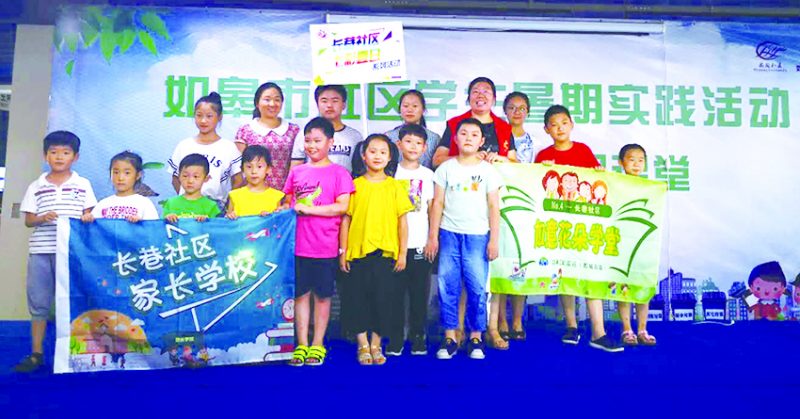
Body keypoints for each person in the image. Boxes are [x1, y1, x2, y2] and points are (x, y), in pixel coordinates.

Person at [534, 105, 622, 352]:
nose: (559, 128)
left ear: (571, 124)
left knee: (591, 274)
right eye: (554, 125)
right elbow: (536, 187)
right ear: (546, 129)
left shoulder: (583, 150)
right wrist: (541, 171)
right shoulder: (543, 156)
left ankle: (598, 332)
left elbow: (596, 183)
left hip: (585, 225)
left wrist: (599, 174)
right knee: (565, 274)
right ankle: (571, 325)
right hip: (559, 226)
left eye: (564, 123)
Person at [15, 131, 97, 372]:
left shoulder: (83, 184)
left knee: (74, 301)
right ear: (45, 156)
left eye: (65, 152)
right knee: (39, 302)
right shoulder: (36, 186)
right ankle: (36, 353)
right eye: (53, 152)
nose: (59, 157)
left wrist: (88, 216)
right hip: (41, 251)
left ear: (75, 157)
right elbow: (28, 220)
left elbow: (89, 214)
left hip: (71, 253)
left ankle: (77, 353)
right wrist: (42, 218)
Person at [426, 118, 502, 360]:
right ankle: (450, 337)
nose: (468, 138)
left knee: (477, 288)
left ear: (482, 141)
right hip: (448, 234)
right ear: (455, 139)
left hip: (478, 236)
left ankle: (476, 337)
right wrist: (433, 237)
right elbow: (437, 203)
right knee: (447, 286)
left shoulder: (488, 171)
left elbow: (494, 206)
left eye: (474, 134)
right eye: (463, 133)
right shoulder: (445, 169)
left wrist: (494, 240)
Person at [284, 117, 355, 366]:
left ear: (330, 142)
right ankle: (302, 344)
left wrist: (310, 210)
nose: (312, 146)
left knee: (323, 297)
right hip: (297, 246)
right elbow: (287, 203)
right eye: (308, 141)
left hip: (325, 247)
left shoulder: (340, 173)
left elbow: (342, 207)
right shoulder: (297, 172)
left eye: (317, 140)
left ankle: (318, 344)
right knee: (301, 296)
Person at [339, 134, 412, 365]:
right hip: (358, 252)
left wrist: (402, 253)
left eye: (383, 152)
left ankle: (376, 344)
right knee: (357, 299)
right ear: (363, 155)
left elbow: (402, 222)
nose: (377, 156)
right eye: (372, 151)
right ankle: (362, 344)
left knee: (383, 300)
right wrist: (343, 251)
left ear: (390, 157)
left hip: (386, 252)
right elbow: (346, 220)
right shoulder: (354, 185)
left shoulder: (396, 186)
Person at [385, 124, 435, 356]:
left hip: (419, 243)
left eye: (418, 143)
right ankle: (396, 337)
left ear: (424, 147)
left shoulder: (428, 175)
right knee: (394, 294)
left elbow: (433, 209)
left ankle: (418, 335)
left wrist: (432, 238)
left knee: (418, 294)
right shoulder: (390, 174)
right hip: (393, 245)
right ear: (399, 145)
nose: (413, 147)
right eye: (408, 141)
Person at [168, 92, 242, 211]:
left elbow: (238, 180)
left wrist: (227, 205)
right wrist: (189, 198)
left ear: (219, 117)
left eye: (209, 116)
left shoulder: (229, 147)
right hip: (186, 207)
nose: (203, 121)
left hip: (215, 208)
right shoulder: (184, 146)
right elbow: (175, 179)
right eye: (199, 115)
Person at [616, 143, 656, 346]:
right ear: (621, 162)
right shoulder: (615, 184)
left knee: (642, 287)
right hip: (621, 243)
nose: (636, 164)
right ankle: (627, 329)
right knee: (623, 288)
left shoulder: (650, 188)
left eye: (641, 160)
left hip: (643, 244)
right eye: (631, 160)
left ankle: (642, 329)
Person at [432, 76, 517, 168]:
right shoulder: (454, 124)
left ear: (493, 99)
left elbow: (515, 164)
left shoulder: (504, 127)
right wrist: (466, 158)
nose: (481, 96)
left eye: (486, 92)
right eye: (475, 92)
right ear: (469, 98)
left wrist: (502, 159)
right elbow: (437, 161)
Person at [234, 82, 300, 190]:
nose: (272, 104)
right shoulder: (245, 130)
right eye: (267, 99)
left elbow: (298, 166)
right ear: (257, 103)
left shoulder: (293, 130)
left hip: (284, 193)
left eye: (277, 100)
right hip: (253, 193)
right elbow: (237, 167)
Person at [291, 85, 363, 174]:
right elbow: (295, 171)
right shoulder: (305, 134)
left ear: (344, 105)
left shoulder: (355, 136)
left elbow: (359, 170)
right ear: (317, 104)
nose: (329, 105)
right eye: (324, 101)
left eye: (335, 101)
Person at [85, 151, 158, 223]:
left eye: (127, 173)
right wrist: (87, 219)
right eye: (116, 172)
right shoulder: (102, 204)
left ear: (138, 175)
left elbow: (153, 227)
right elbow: (93, 228)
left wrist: (140, 223)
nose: (120, 178)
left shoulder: (144, 203)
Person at [385, 89, 441, 169]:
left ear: (423, 110)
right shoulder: (389, 137)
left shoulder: (434, 138)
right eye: (405, 106)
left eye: (415, 106)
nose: (410, 110)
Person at [225, 145, 285, 218]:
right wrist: (230, 216)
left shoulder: (276, 196)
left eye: (259, 167)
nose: (254, 171)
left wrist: (268, 218)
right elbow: (228, 221)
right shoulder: (235, 195)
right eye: (249, 167)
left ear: (268, 169)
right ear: (242, 169)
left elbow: (278, 221)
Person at [163, 154, 221, 223]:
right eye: (185, 176)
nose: (190, 181)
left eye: (196, 176)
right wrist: (168, 219)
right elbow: (161, 226)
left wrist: (207, 221)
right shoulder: (171, 203)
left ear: (206, 178)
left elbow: (216, 227)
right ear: (179, 176)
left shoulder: (211, 206)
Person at [503, 91, 537, 164]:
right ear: (505, 111)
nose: (517, 112)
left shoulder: (535, 143)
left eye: (522, 109)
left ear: (527, 112)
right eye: (512, 108)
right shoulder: (497, 139)